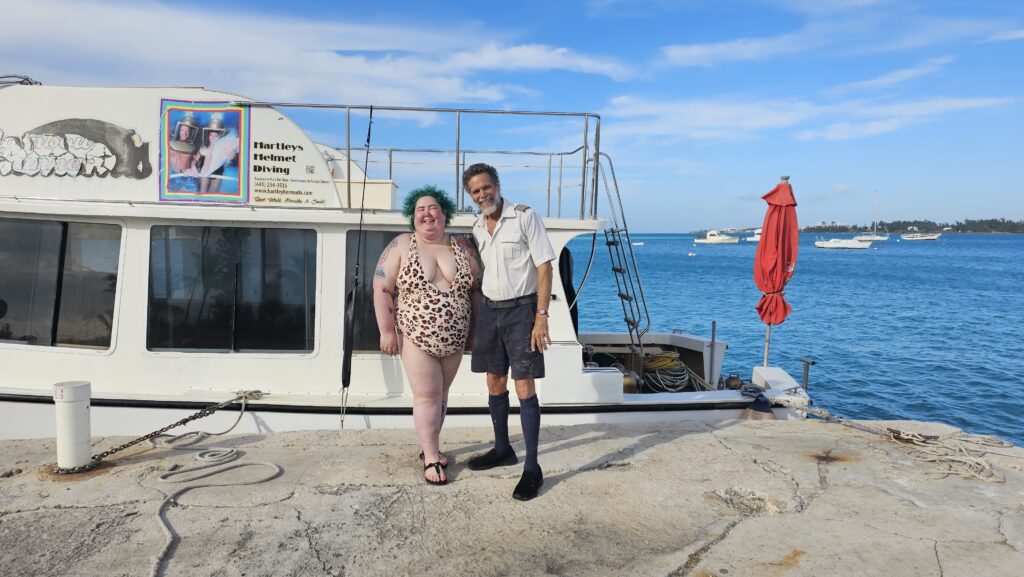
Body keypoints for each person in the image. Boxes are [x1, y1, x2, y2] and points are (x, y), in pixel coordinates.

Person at [373, 186, 480, 485]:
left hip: (455, 337)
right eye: (420, 209)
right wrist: (386, 330)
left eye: (433, 208)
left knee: (442, 396)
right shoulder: (402, 244)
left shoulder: (463, 247)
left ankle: (430, 445)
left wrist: (474, 333)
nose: (427, 213)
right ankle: (431, 457)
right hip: (415, 335)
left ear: (444, 214)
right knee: (428, 395)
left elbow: (476, 291)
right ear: (413, 217)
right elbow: (381, 288)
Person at [463, 162, 555, 501]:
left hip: (522, 310)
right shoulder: (476, 227)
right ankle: (503, 449)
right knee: (493, 380)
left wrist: (541, 316)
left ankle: (532, 467)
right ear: (470, 196)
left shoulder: (525, 216)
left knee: (524, 385)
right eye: (476, 191)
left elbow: (544, 266)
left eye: (486, 187)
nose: (483, 194)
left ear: (497, 185)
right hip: (490, 310)